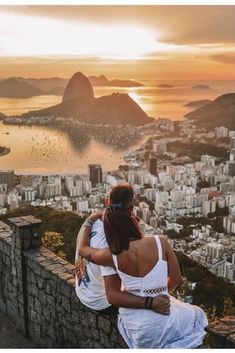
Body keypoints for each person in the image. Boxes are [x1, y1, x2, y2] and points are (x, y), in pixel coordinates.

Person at [79, 183, 208, 349]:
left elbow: (83, 250)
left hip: (136, 328)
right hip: (164, 318)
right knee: (196, 315)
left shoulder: (112, 255)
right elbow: (176, 279)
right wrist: (156, 294)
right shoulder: (160, 242)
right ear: (132, 210)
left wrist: (89, 221)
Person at [75, 216, 171, 315]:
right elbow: (113, 296)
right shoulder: (110, 246)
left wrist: (89, 219)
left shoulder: (89, 224)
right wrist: (150, 303)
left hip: (82, 292)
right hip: (100, 303)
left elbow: (83, 250)